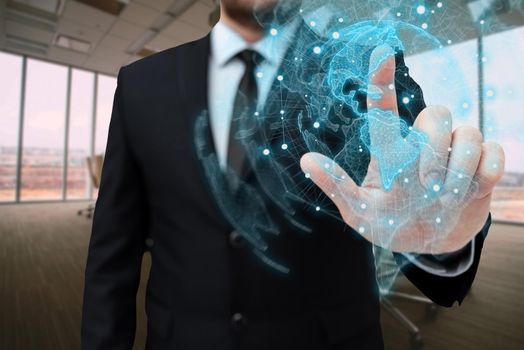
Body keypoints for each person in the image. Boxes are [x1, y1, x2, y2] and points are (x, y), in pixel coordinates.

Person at [81, 1, 504, 349]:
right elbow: (113, 251)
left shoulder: (368, 69)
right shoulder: (140, 83)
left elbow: (426, 192)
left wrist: (437, 234)